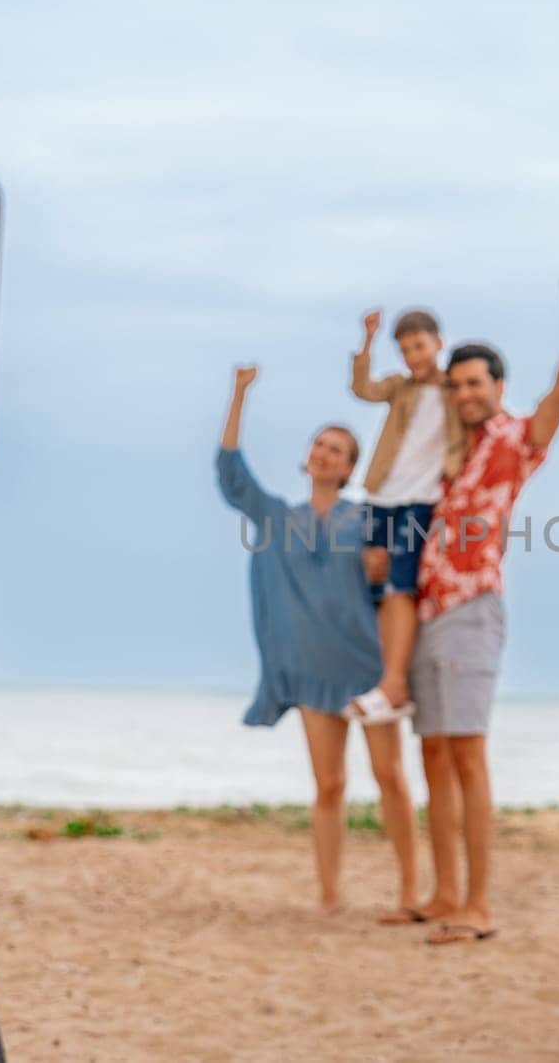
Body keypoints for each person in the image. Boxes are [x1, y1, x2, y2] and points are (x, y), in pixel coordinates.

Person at [410, 281, 559, 945]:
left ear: (496, 385)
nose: (465, 393)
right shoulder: (446, 453)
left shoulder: (514, 439)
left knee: (467, 754)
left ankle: (479, 904)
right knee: (432, 753)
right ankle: (442, 892)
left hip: (473, 609)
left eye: (475, 383)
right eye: (456, 385)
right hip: (428, 610)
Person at [215, 364, 422, 921]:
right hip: (310, 672)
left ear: (350, 467)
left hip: (367, 667)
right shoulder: (277, 518)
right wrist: (238, 394)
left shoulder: (366, 520)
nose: (324, 453)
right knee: (329, 785)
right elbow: (231, 475)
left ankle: (409, 890)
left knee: (389, 778)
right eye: (319, 445)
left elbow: (395, 581)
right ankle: (330, 894)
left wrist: (380, 572)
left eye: (336, 449)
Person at [347, 307, 464, 722]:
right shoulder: (400, 387)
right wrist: (366, 341)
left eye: (419, 346)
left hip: (422, 499)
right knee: (376, 579)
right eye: (405, 349)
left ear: (437, 343)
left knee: (402, 584)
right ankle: (387, 678)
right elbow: (362, 388)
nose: (413, 356)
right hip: (383, 494)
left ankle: (395, 683)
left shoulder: (454, 390)